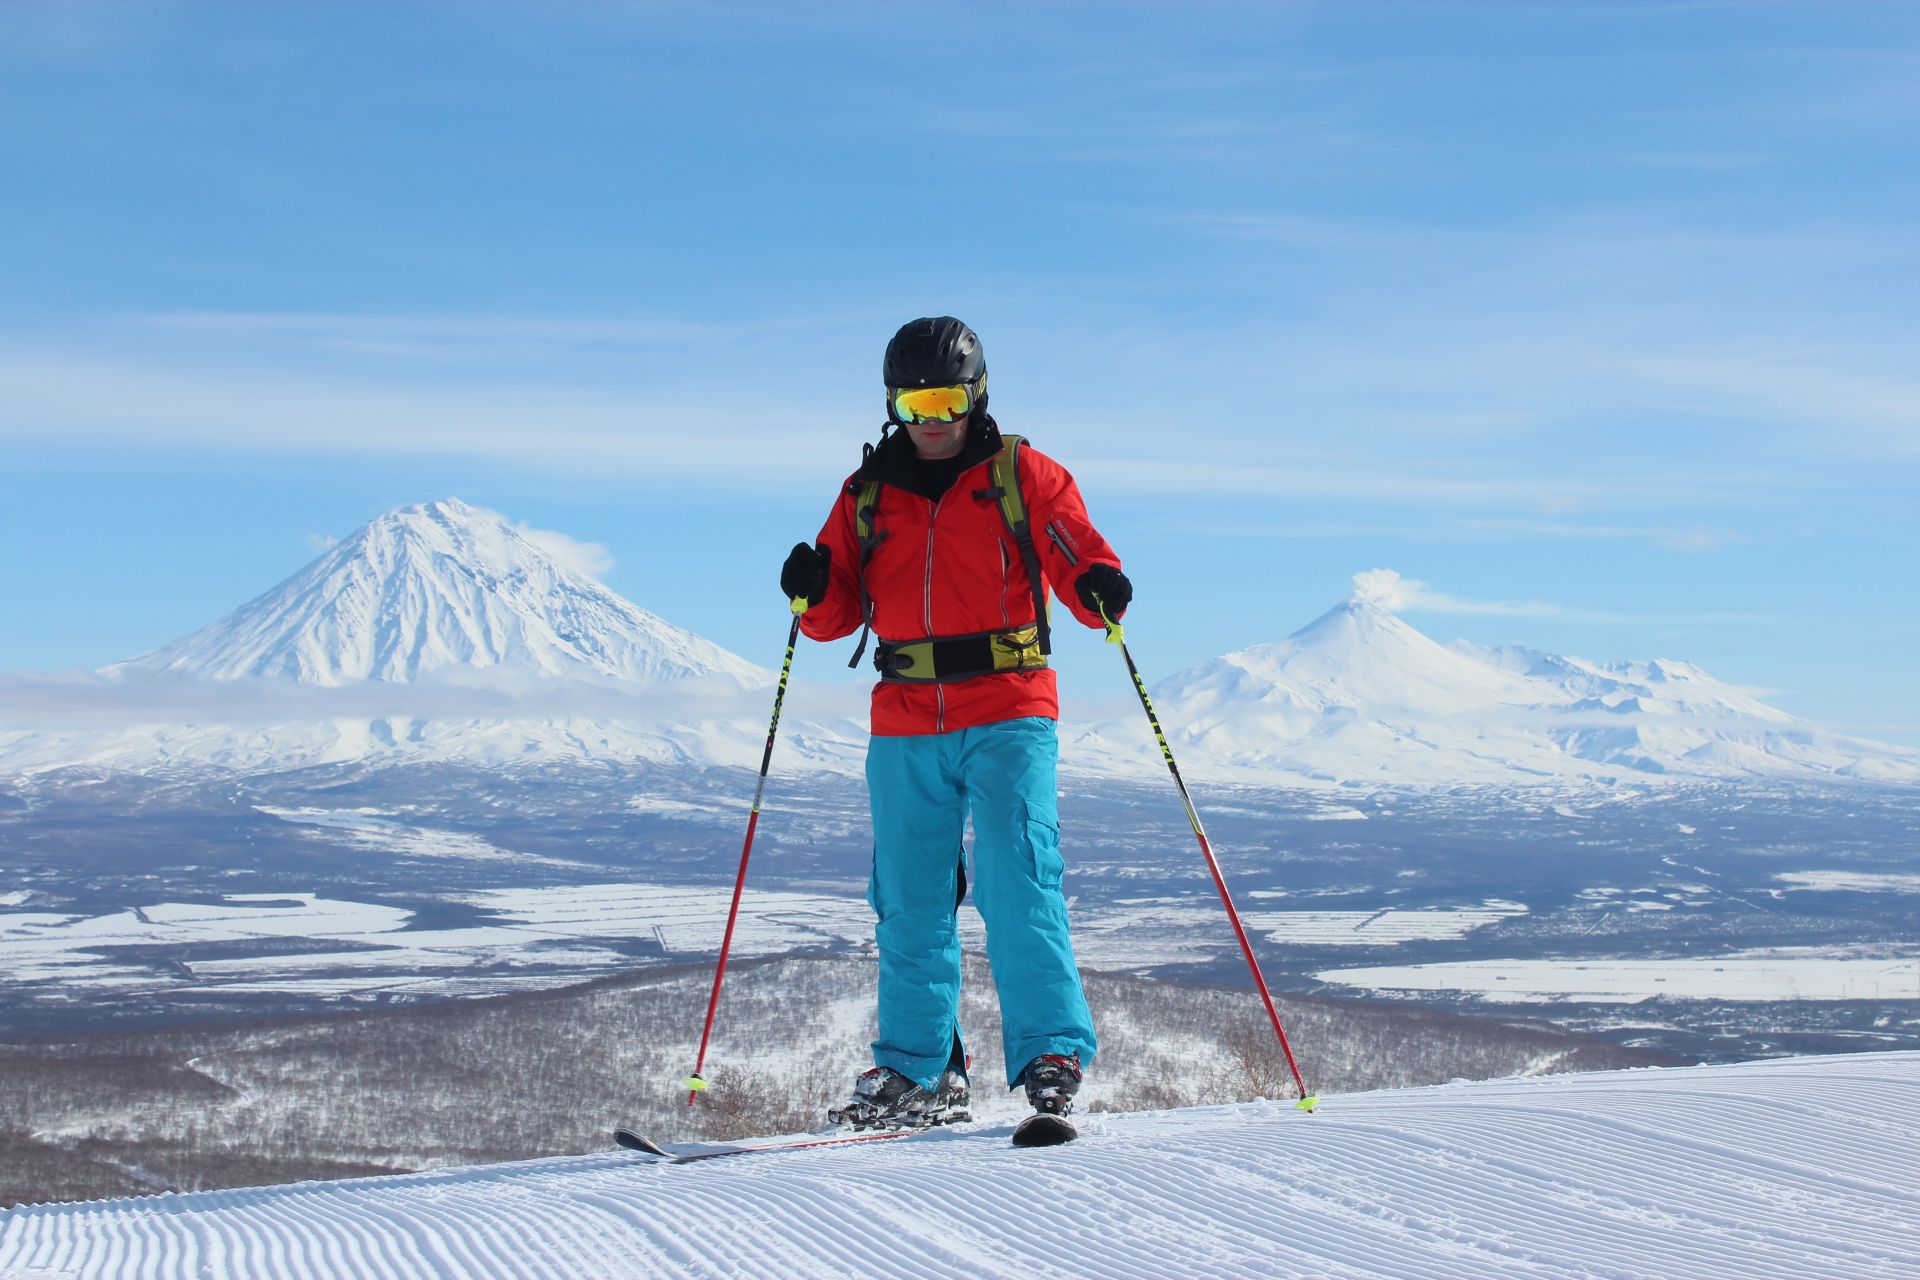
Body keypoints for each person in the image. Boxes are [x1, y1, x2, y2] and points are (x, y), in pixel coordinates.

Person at [779, 316, 1132, 1129]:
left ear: (977, 396)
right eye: (913, 402)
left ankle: (1051, 1052)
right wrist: (808, 588)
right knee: (909, 897)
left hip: (1009, 705)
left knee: (1018, 879)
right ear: (892, 404)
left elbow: (1076, 554)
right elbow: (835, 617)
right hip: (905, 716)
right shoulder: (866, 495)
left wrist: (1099, 586)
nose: (931, 420)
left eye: (945, 400)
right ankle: (921, 1072)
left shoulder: (1021, 473)